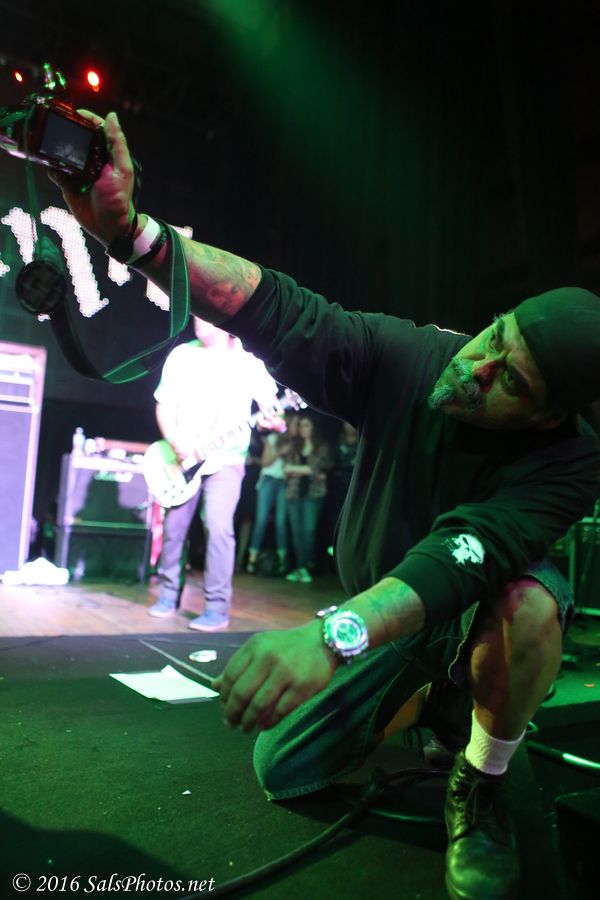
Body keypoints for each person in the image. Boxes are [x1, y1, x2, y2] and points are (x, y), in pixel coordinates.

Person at [52, 111, 600, 900]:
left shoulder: (571, 458)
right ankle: (439, 702)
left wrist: (329, 637)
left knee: (530, 604)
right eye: (495, 335)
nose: (476, 366)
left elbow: (464, 554)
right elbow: (277, 308)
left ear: (550, 415)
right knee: (283, 766)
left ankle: (481, 780)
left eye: (509, 378)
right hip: (396, 626)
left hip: (473, 610)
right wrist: (134, 236)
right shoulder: (418, 356)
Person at [147, 317, 280, 631]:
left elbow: (271, 406)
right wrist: (174, 441)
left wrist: (273, 421)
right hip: (182, 460)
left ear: (224, 321)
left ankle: (217, 609)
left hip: (226, 461)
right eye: (196, 316)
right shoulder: (182, 356)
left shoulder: (248, 361)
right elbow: (163, 405)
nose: (198, 321)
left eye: (206, 316)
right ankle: (168, 594)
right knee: (174, 528)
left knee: (219, 528)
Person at [245, 411, 300, 577]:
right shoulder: (272, 439)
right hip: (268, 480)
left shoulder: (296, 444)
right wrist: (280, 453)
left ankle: (282, 560)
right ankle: (252, 559)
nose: (297, 427)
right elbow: (264, 463)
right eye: (295, 424)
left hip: (283, 482)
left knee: (281, 522)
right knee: (261, 520)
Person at [284, 414, 333, 583]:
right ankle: (299, 567)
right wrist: (305, 470)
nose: (302, 429)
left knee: (308, 531)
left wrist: (297, 469)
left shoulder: (321, 446)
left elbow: (317, 467)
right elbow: (286, 468)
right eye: (301, 425)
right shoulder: (294, 446)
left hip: (313, 494)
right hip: (294, 493)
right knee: (297, 533)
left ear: (313, 427)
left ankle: (304, 567)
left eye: (306, 425)